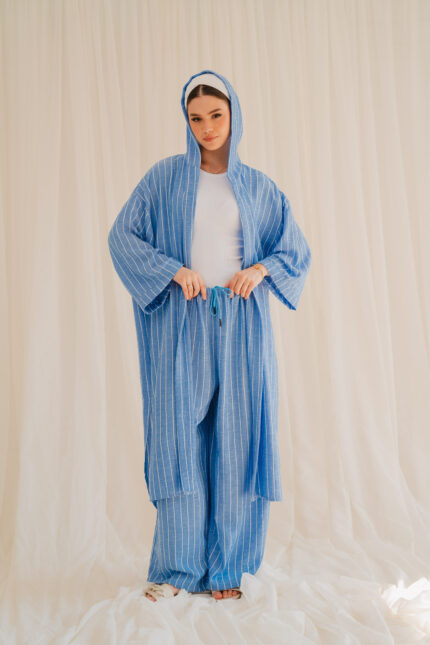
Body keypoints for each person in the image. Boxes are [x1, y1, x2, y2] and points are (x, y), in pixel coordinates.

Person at [108, 70, 312, 602]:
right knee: (179, 440)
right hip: (184, 321)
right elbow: (122, 237)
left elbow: (294, 251)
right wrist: (174, 271)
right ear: (186, 122)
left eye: (216, 115)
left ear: (233, 114)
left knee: (240, 441)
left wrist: (260, 270)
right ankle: (178, 570)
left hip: (243, 323)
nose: (207, 127)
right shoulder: (164, 179)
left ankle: (230, 570)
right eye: (196, 118)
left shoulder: (260, 188)